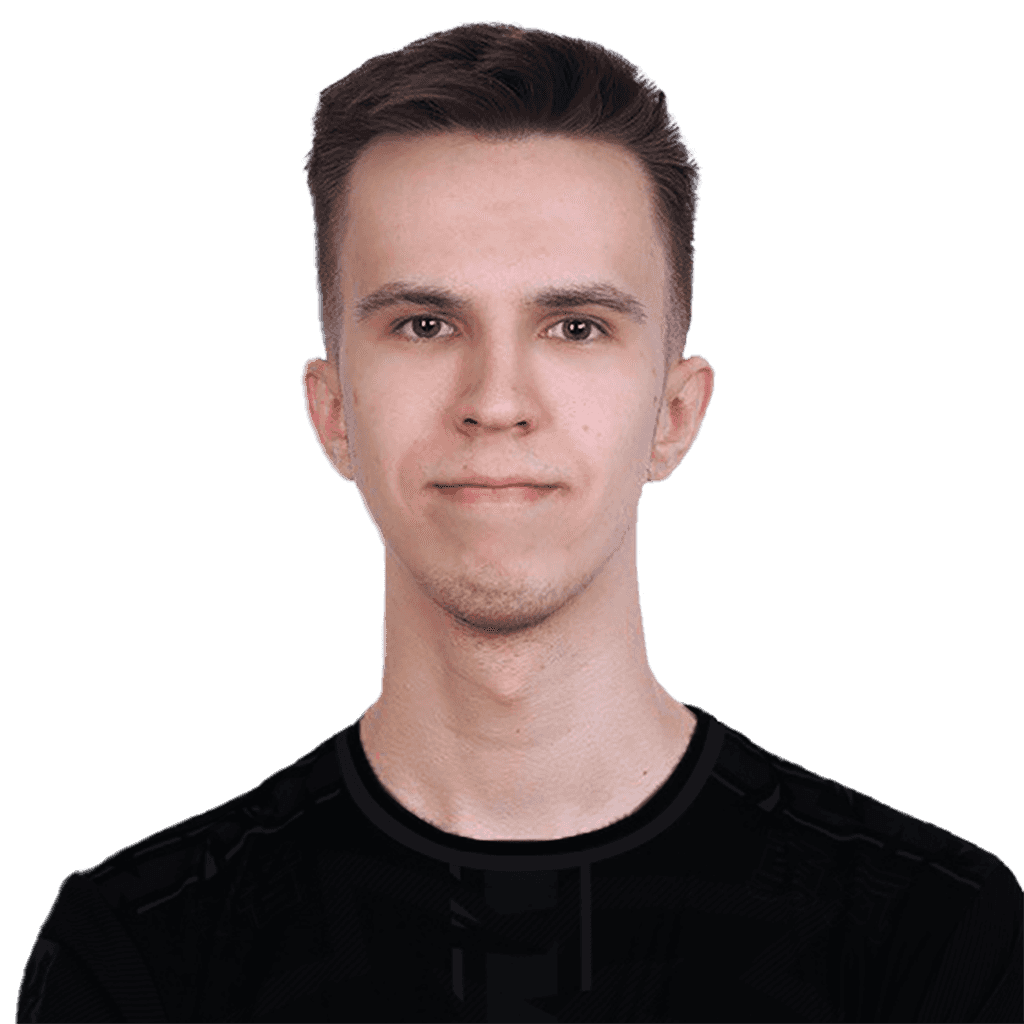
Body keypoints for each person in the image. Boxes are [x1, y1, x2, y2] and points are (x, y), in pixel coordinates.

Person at [17, 20, 1022, 1024]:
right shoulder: (143, 956)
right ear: (333, 414)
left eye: (575, 326)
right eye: (424, 324)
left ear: (674, 414)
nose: (496, 401)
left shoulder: (931, 944)